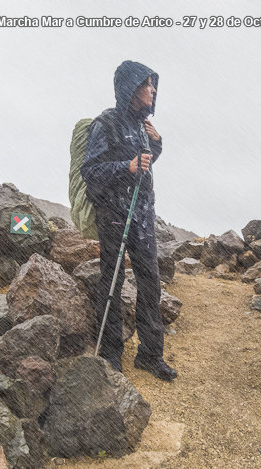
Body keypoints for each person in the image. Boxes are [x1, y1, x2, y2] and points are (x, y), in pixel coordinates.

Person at [81, 60, 177, 381]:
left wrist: (157, 145)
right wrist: (127, 166)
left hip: (143, 217)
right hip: (113, 216)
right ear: (131, 88)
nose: (153, 90)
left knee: (150, 282)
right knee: (112, 282)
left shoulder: (142, 127)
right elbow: (90, 171)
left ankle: (150, 355)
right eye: (147, 84)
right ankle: (110, 356)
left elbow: (145, 164)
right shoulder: (105, 124)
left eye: (153, 84)